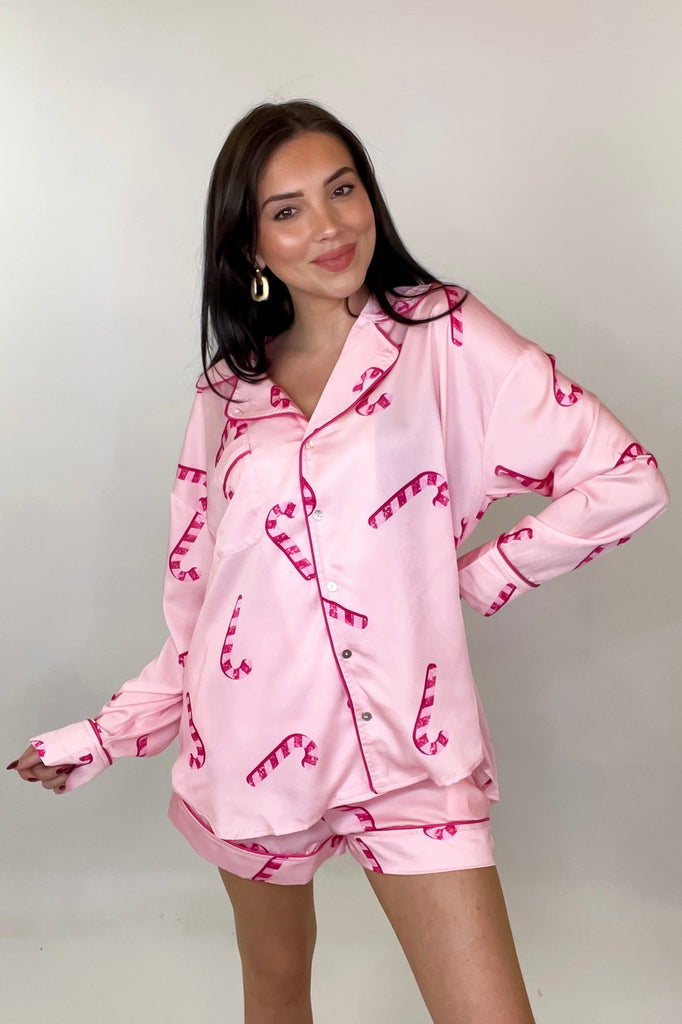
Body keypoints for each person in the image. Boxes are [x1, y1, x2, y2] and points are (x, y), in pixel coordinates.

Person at [8, 100, 669, 1024]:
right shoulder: (226, 394)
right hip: (251, 754)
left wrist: (472, 578)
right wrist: (109, 733)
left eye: (342, 189)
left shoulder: (445, 335)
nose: (328, 226)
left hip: (411, 754)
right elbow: (202, 604)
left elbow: (625, 478)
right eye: (287, 210)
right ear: (249, 245)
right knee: (278, 997)